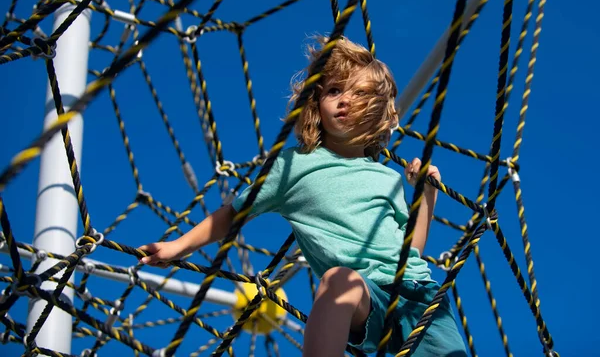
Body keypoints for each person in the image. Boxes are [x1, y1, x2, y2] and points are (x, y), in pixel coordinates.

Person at [139, 36, 467, 356]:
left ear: (377, 109)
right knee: (338, 281)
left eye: (359, 92)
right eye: (334, 90)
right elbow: (234, 213)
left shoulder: (387, 178)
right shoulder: (294, 164)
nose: (344, 100)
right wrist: (178, 246)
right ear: (315, 102)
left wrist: (426, 195)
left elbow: (412, 249)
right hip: (365, 298)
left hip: (421, 298)